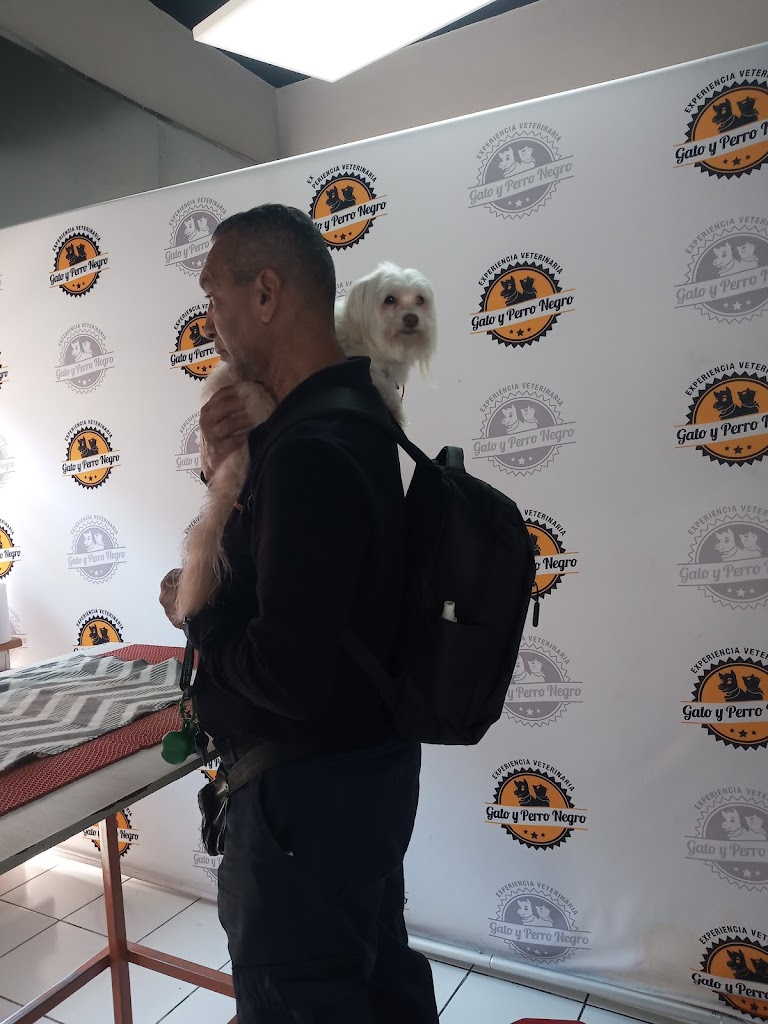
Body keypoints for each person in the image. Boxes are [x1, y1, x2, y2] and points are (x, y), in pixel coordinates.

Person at [159, 204, 439, 1024]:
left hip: (302, 806)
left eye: (214, 296)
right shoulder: (351, 413)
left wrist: (196, 623)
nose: (210, 320)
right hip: (361, 780)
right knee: (376, 984)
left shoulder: (308, 451)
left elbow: (285, 673)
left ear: (266, 294)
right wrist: (224, 467)